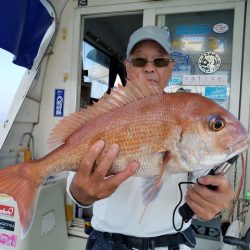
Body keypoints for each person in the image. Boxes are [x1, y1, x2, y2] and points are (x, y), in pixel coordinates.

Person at [66, 26, 234, 250]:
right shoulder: (106, 115)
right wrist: (82, 194)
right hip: (106, 243)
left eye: (160, 61)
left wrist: (214, 201)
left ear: (170, 67)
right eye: (139, 61)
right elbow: (75, 188)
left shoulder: (188, 114)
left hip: (172, 243)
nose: (149, 69)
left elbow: (208, 182)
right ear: (127, 67)